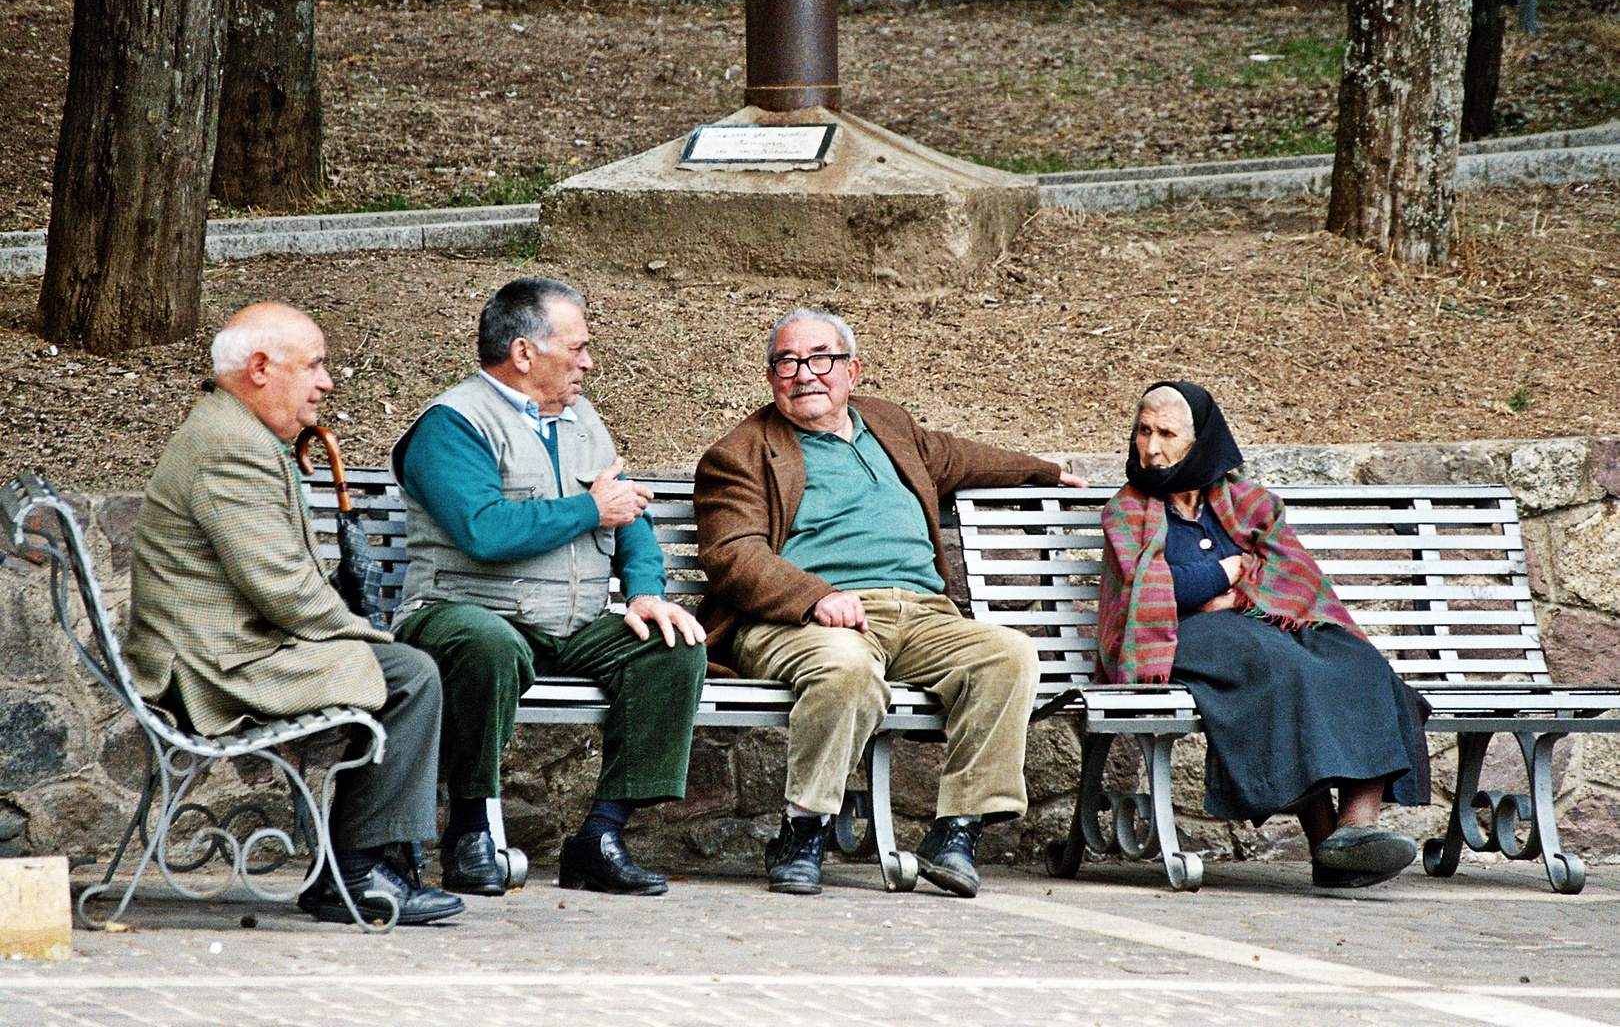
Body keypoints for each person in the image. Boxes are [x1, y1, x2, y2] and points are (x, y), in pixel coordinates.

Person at [693, 307, 1085, 898]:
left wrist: (1044, 472)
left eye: (820, 358)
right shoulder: (741, 453)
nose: (805, 374)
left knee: (1008, 654)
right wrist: (815, 597)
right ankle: (803, 831)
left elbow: (959, 457)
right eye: (788, 362)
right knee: (845, 669)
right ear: (771, 376)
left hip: (921, 615)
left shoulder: (887, 425)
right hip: (798, 620)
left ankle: (956, 830)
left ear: (852, 371)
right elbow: (732, 553)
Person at [126, 302, 463, 925]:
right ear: (260, 367)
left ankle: (361, 866)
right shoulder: (231, 446)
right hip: (212, 669)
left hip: (228, 646)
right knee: (410, 674)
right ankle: (356, 874)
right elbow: (282, 589)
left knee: (399, 666)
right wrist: (367, 636)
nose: (326, 382)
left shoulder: (236, 432)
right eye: (315, 366)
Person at [391, 277, 707, 898]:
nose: (589, 362)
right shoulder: (451, 425)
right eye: (578, 347)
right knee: (486, 644)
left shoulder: (583, 421)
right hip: (462, 612)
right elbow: (482, 531)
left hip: (570, 623)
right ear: (524, 353)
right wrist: (590, 510)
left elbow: (629, 515)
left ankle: (601, 836)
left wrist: (645, 591)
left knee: (671, 646)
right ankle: (472, 829)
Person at [1098, 381, 1428, 889]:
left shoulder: (1249, 504)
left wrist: (1230, 592)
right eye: (1143, 430)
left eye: (1166, 432)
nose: (1151, 447)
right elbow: (1154, 590)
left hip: (1260, 626)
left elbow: (1288, 573)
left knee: (1359, 660)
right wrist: (1227, 572)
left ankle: (1357, 826)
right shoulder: (1127, 510)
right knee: (1278, 666)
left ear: (1201, 440)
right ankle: (1328, 846)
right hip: (1175, 638)